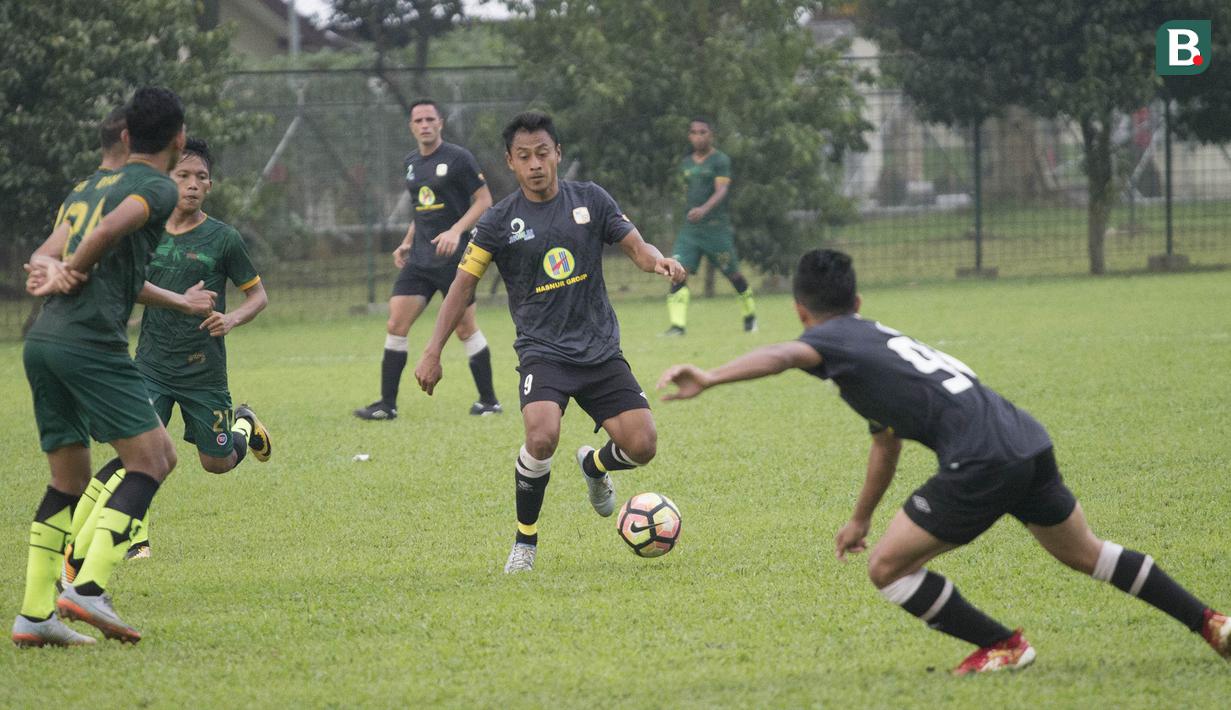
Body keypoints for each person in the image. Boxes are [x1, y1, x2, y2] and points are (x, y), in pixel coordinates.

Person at [657, 248, 1231, 674]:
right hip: (1025, 438)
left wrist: (712, 375)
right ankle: (1211, 623)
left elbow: (784, 355)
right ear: (857, 302)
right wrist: (859, 518)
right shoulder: (871, 339)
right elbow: (885, 443)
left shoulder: (830, 343)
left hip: (981, 460)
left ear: (800, 309)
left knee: (886, 569)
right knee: (1086, 553)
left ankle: (1005, 644)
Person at [414, 111, 685, 573]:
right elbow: (463, 285)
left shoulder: (591, 200)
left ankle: (595, 466)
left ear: (557, 153)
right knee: (541, 436)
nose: (535, 163)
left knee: (643, 446)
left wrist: (661, 262)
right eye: (524, 157)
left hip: (599, 348)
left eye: (543, 153)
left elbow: (638, 248)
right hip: (544, 351)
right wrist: (433, 349)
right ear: (511, 163)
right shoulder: (499, 221)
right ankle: (525, 543)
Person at [13, 87, 187, 647]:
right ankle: (87, 587)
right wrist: (71, 270)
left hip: (44, 339)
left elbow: (46, 250)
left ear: (128, 135)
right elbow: (110, 231)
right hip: (89, 341)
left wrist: (48, 269)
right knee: (155, 458)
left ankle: (35, 615)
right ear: (179, 140)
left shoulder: (89, 186)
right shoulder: (156, 186)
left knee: (69, 480)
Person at [62, 137, 271, 577]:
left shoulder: (224, 238)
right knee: (138, 453)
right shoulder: (145, 232)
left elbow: (259, 295)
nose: (192, 185)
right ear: (168, 179)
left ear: (210, 186)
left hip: (203, 371)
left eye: (201, 178)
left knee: (217, 464)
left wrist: (231, 319)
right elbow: (129, 285)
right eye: (183, 175)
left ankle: (244, 423)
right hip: (151, 366)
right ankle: (123, 541)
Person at [354, 99, 499, 421]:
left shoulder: (459, 158)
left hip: (454, 259)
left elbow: (485, 201)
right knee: (396, 323)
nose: (424, 124)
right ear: (411, 126)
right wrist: (406, 243)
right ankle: (387, 405)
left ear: (440, 123)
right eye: (418, 120)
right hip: (420, 258)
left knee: (464, 328)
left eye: (429, 119)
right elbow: (421, 209)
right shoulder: (411, 163)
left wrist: (456, 232)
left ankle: (489, 401)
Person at [663, 117, 756, 336]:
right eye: (694, 132)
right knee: (677, 271)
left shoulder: (720, 161)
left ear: (711, 135)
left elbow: (721, 190)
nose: (698, 136)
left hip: (715, 229)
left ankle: (750, 317)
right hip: (691, 230)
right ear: (689, 136)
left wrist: (704, 209)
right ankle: (677, 326)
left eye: (703, 132)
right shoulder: (686, 163)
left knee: (733, 274)